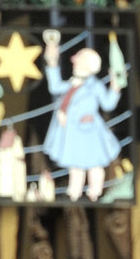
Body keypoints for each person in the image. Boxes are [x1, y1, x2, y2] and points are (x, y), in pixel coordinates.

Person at [40, 29, 126, 202]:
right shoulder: (72, 83)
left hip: (89, 131)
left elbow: (108, 103)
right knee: (75, 166)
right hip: (71, 131)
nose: (73, 60)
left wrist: (116, 86)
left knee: (94, 165)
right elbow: (55, 87)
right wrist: (52, 62)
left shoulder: (94, 86)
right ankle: (75, 192)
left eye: (78, 57)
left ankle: (95, 191)